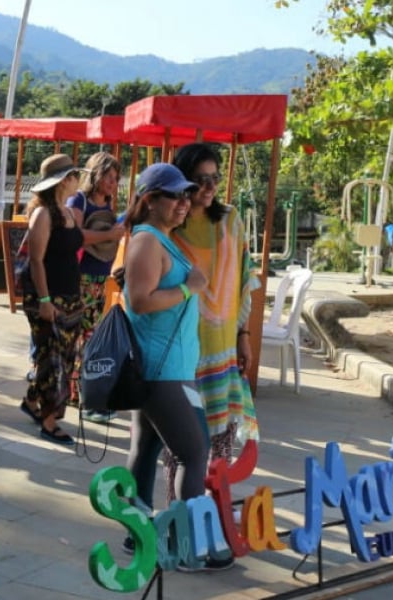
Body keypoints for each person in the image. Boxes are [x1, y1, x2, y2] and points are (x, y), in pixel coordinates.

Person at [123, 163, 231, 571]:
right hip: (160, 371)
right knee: (192, 451)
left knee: (147, 448)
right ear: (150, 200)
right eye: (175, 195)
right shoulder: (147, 241)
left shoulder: (162, 239)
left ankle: (137, 534)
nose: (184, 202)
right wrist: (190, 287)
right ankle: (190, 547)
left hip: (170, 367)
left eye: (186, 194)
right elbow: (140, 301)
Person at [169, 144, 260, 496]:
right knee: (181, 445)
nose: (208, 189)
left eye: (214, 179)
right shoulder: (171, 225)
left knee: (219, 444)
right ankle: (179, 517)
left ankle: (215, 516)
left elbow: (243, 283)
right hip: (181, 349)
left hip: (222, 349)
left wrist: (244, 334)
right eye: (199, 180)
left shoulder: (229, 221)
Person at [18, 154, 86, 446]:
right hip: (46, 296)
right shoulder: (43, 214)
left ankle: (32, 401)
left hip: (70, 296)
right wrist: (45, 300)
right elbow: (35, 260)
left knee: (65, 357)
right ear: (63, 181)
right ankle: (49, 422)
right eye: (74, 175)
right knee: (52, 360)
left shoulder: (68, 212)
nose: (78, 180)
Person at [67, 151, 127, 423]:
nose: (114, 182)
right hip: (79, 277)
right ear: (96, 175)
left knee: (89, 337)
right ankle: (82, 395)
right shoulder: (79, 199)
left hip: (100, 279)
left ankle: (79, 392)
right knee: (83, 337)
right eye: (109, 176)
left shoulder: (109, 203)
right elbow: (74, 235)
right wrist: (109, 234)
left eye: (116, 177)